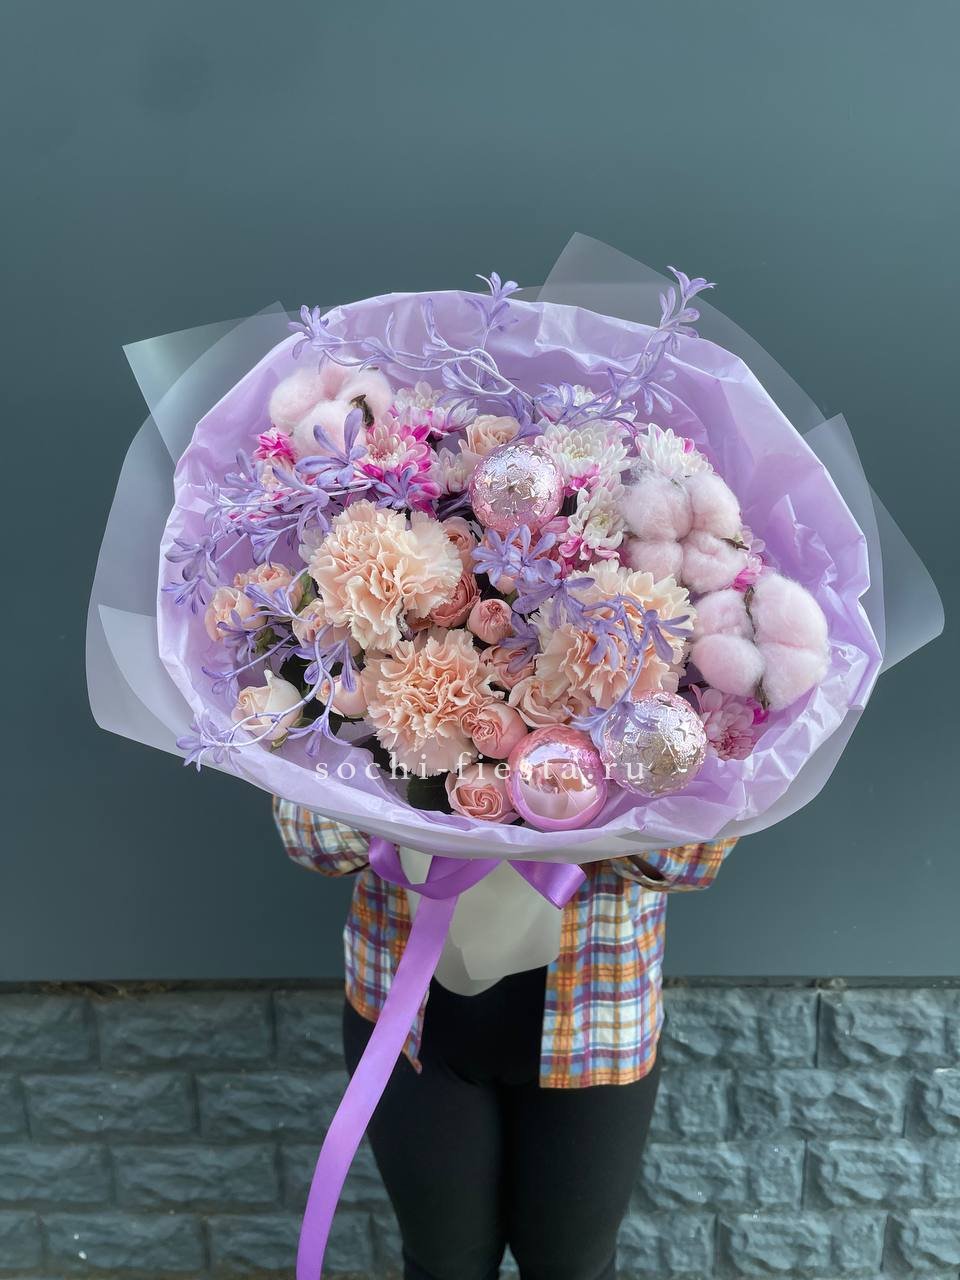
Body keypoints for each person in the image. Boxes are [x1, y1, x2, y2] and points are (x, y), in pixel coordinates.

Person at [274, 797, 737, 1280]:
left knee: (574, 1269)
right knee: (442, 1267)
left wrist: (584, 801)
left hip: (596, 1016)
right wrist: (407, 798)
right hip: (410, 1015)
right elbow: (306, 834)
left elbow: (696, 857)